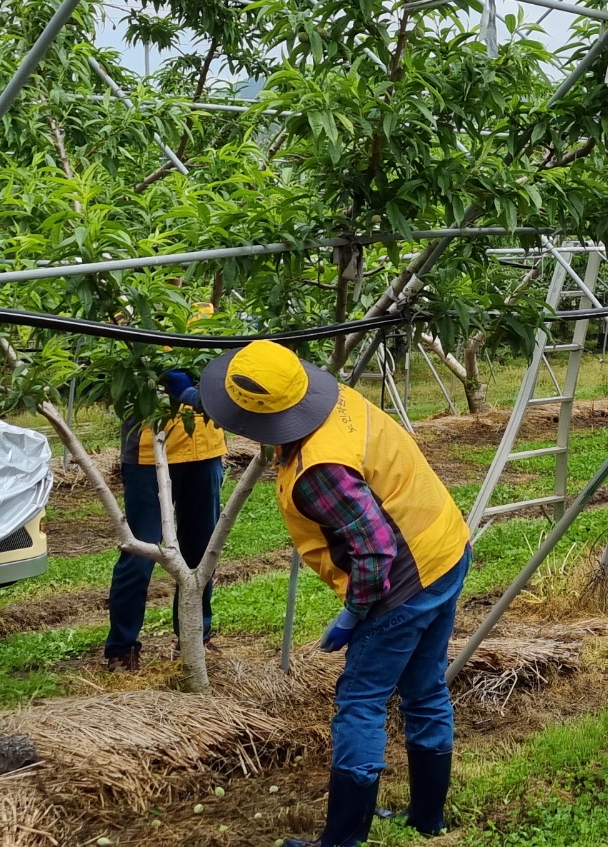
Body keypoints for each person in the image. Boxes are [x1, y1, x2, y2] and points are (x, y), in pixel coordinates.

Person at [198, 341, 471, 847]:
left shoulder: (319, 470)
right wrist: (203, 400)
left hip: (399, 583)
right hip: (444, 548)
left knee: (361, 703)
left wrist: (356, 613)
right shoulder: (334, 401)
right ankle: (428, 819)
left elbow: (375, 550)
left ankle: (342, 840)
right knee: (425, 686)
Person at [104, 365, 227, 671]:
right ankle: (122, 647)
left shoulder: (212, 315)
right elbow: (133, 359)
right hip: (149, 450)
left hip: (204, 447)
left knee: (201, 553)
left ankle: (195, 638)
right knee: (140, 552)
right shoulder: (132, 315)